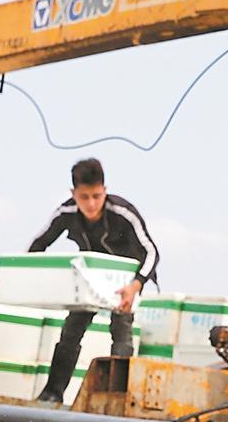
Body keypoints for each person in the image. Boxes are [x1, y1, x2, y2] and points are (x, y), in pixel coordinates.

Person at [27, 157, 159, 404]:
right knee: (71, 331)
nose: (91, 203)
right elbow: (38, 244)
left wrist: (136, 284)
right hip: (88, 282)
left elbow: (152, 252)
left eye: (96, 196)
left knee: (121, 332)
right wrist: (33, 279)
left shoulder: (123, 212)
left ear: (105, 191)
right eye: (84, 197)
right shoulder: (66, 212)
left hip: (124, 283)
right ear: (73, 193)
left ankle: (116, 397)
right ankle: (52, 393)